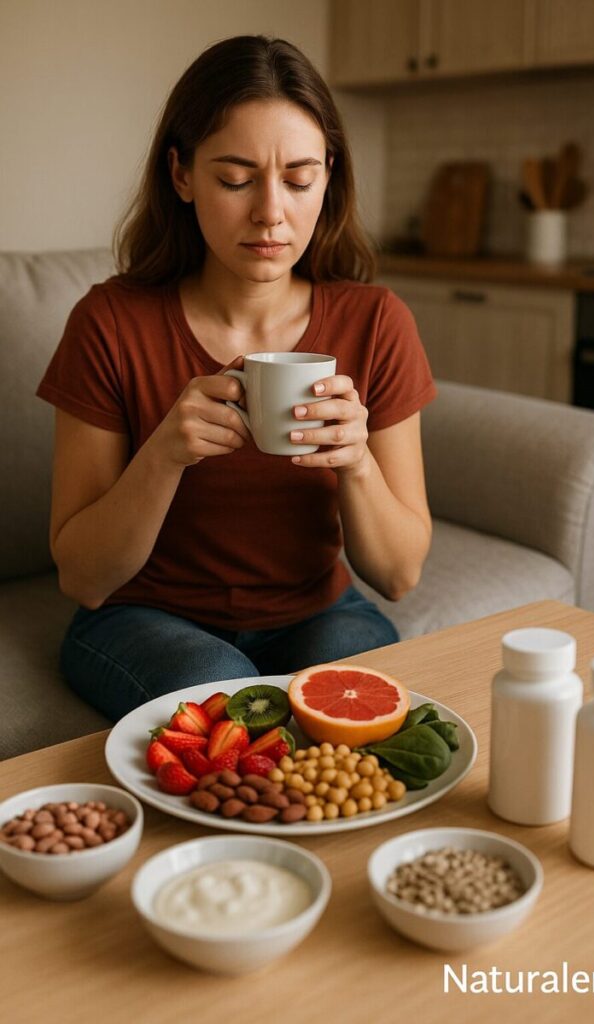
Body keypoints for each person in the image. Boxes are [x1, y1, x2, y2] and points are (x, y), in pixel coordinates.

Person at [37, 35, 436, 722]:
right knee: (222, 692)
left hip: (317, 610)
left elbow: (399, 576)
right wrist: (163, 455)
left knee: (362, 706)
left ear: (328, 176)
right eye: (235, 178)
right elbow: (83, 575)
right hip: (143, 615)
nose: (271, 213)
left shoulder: (376, 321)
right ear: (182, 174)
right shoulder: (109, 321)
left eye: (300, 177)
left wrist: (356, 462)